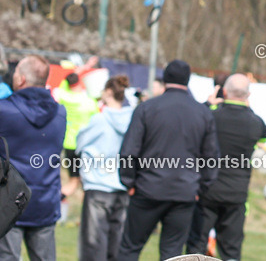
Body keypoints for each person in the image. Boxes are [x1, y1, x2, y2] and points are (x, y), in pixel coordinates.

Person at [116, 60, 219, 261]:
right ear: (187, 80)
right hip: (184, 192)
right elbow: (211, 158)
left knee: (130, 248)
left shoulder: (147, 108)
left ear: (165, 79)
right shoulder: (203, 113)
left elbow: (129, 151)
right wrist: (200, 188)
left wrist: (129, 182)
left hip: (147, 188)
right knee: (172, 253)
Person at [186, 73, 266, 261]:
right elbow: (265, 137)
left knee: (197, 245)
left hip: (208, 191)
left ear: (223, 91)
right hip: (236, 193)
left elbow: (193, 125)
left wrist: (209, 104)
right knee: (231, 250)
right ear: (248, 95)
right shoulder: (255, 122)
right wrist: (248, 108)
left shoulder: (211, 116)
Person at [0, 56, 66, 261]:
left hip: (9, 201)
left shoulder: (4, 111)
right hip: (45, 200)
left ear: (21, 79)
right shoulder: (60, 113)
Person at [76, 75, 134, 261]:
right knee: (116, 245)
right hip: (121, 187)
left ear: (108, 92)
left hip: (98, 187)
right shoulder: (133, 121)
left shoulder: (99, 120)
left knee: (94, 246)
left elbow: (79, 144)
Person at [54, 71, 99, 201]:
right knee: (86, 183)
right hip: (85, 146)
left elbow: (62, 84)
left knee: (73, 180)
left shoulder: (63, 97)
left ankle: (55, 200)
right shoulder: (89, 102)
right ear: (79, 83)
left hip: (69, 144)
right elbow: (97, 121)